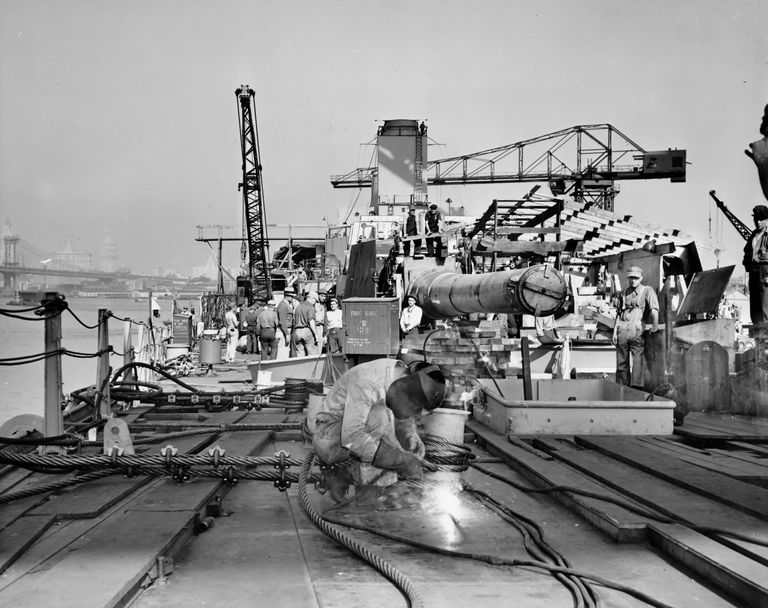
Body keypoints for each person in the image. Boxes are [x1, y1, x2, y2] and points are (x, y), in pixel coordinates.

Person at [310, 359, 446, 501]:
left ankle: (365, 481)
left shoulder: (400, 378)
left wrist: (410, 437)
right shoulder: (367, 382)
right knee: (382, 416)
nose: (417, 415)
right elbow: (352, 436)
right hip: (329, 439)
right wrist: (401, 459)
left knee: (390, 425)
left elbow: (402, 411)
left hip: (350, 435)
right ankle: (369, 493)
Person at [611, 266, 660, 388]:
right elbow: (618, 314)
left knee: (638, 362)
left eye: (636, 278)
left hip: (637, 331)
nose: (633, 280)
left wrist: (655, 326)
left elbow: (654, 310)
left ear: (641, 278)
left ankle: (637, 389)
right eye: (631, 278)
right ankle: (621, 389)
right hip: (622, 331)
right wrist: (614, 333)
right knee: (621, 364)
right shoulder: (623, 293)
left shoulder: (647, 291)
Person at [742, 204, 768, 328]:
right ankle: (758, 328)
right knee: (755, 304)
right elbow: (747, 254)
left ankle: (765, 330)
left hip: (765, 273)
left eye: (761, 219)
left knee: (765, 304)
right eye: (755, 219)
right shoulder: (753, 236)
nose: (758, 222)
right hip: (754, 273)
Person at [292, 291, 319, 356]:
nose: (315, 303)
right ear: (312, 298)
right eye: (315, 300)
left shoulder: (298, 307)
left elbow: (294, 320)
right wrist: (316, 334)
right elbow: (311, 321)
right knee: (312, 353)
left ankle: (301, 366)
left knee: (300, 354)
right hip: (307, 331)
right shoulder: (310, 307)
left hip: (297, 331)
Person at [277, 287, 297, 357]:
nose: (292, 298)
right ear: (286, 296)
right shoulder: (283, 305)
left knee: (285, 349)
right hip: (284, 330)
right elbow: (282, 321)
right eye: (291, 296)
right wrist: (287, 334)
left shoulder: (287, 305)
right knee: (283, 349)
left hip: (286, 329)